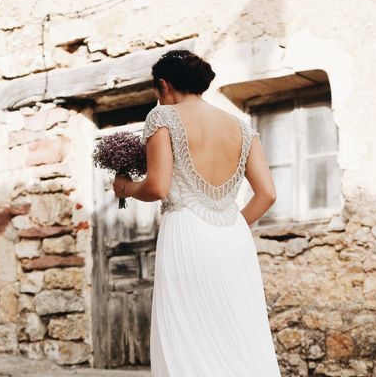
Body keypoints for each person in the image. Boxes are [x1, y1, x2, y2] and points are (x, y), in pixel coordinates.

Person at [113, 49, 282, 376]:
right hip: (233, 238)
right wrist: (228, 227)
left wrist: (126, 189)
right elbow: (268, 194)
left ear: (163, 85)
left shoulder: (162, 117)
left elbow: (158, 187)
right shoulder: (241, 127)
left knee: (188, 331)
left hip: (186, 233)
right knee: (235, 333)